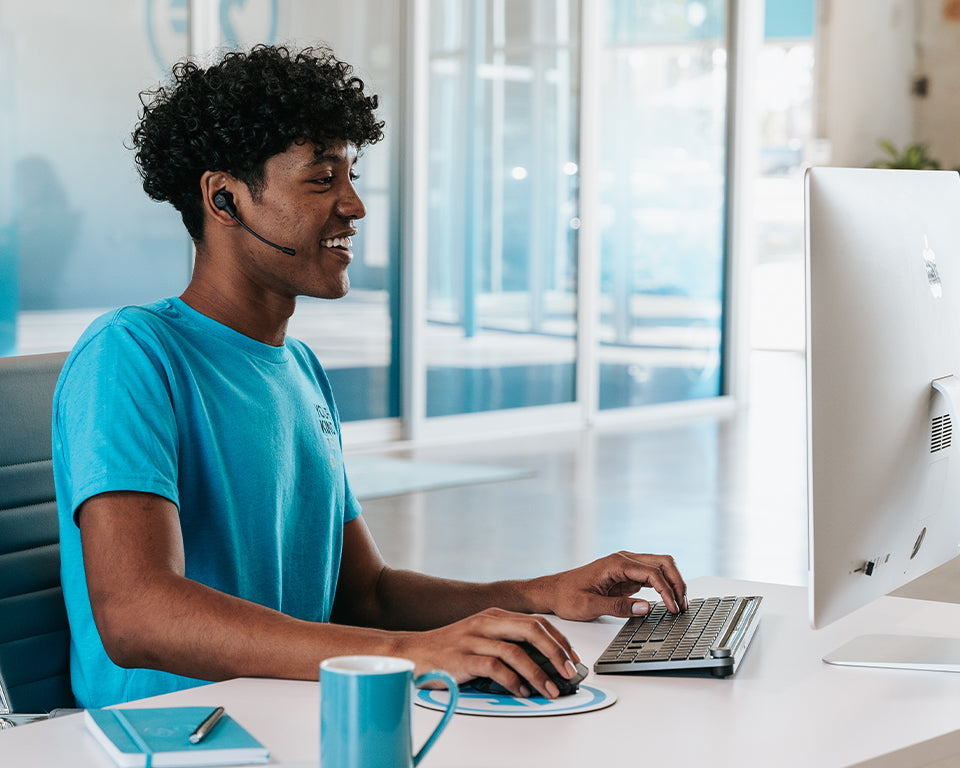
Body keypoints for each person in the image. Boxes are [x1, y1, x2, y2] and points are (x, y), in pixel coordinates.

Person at [53, 44, 687, 710]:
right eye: (322, 179)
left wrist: (545, 593)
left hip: (293, 717)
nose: (354, 206)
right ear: (225, 199)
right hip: (176, 736)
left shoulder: (297, 368)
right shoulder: (130, 355)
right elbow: (137, 614)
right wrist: (407, 655)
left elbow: (367, 595)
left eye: (351, 176)